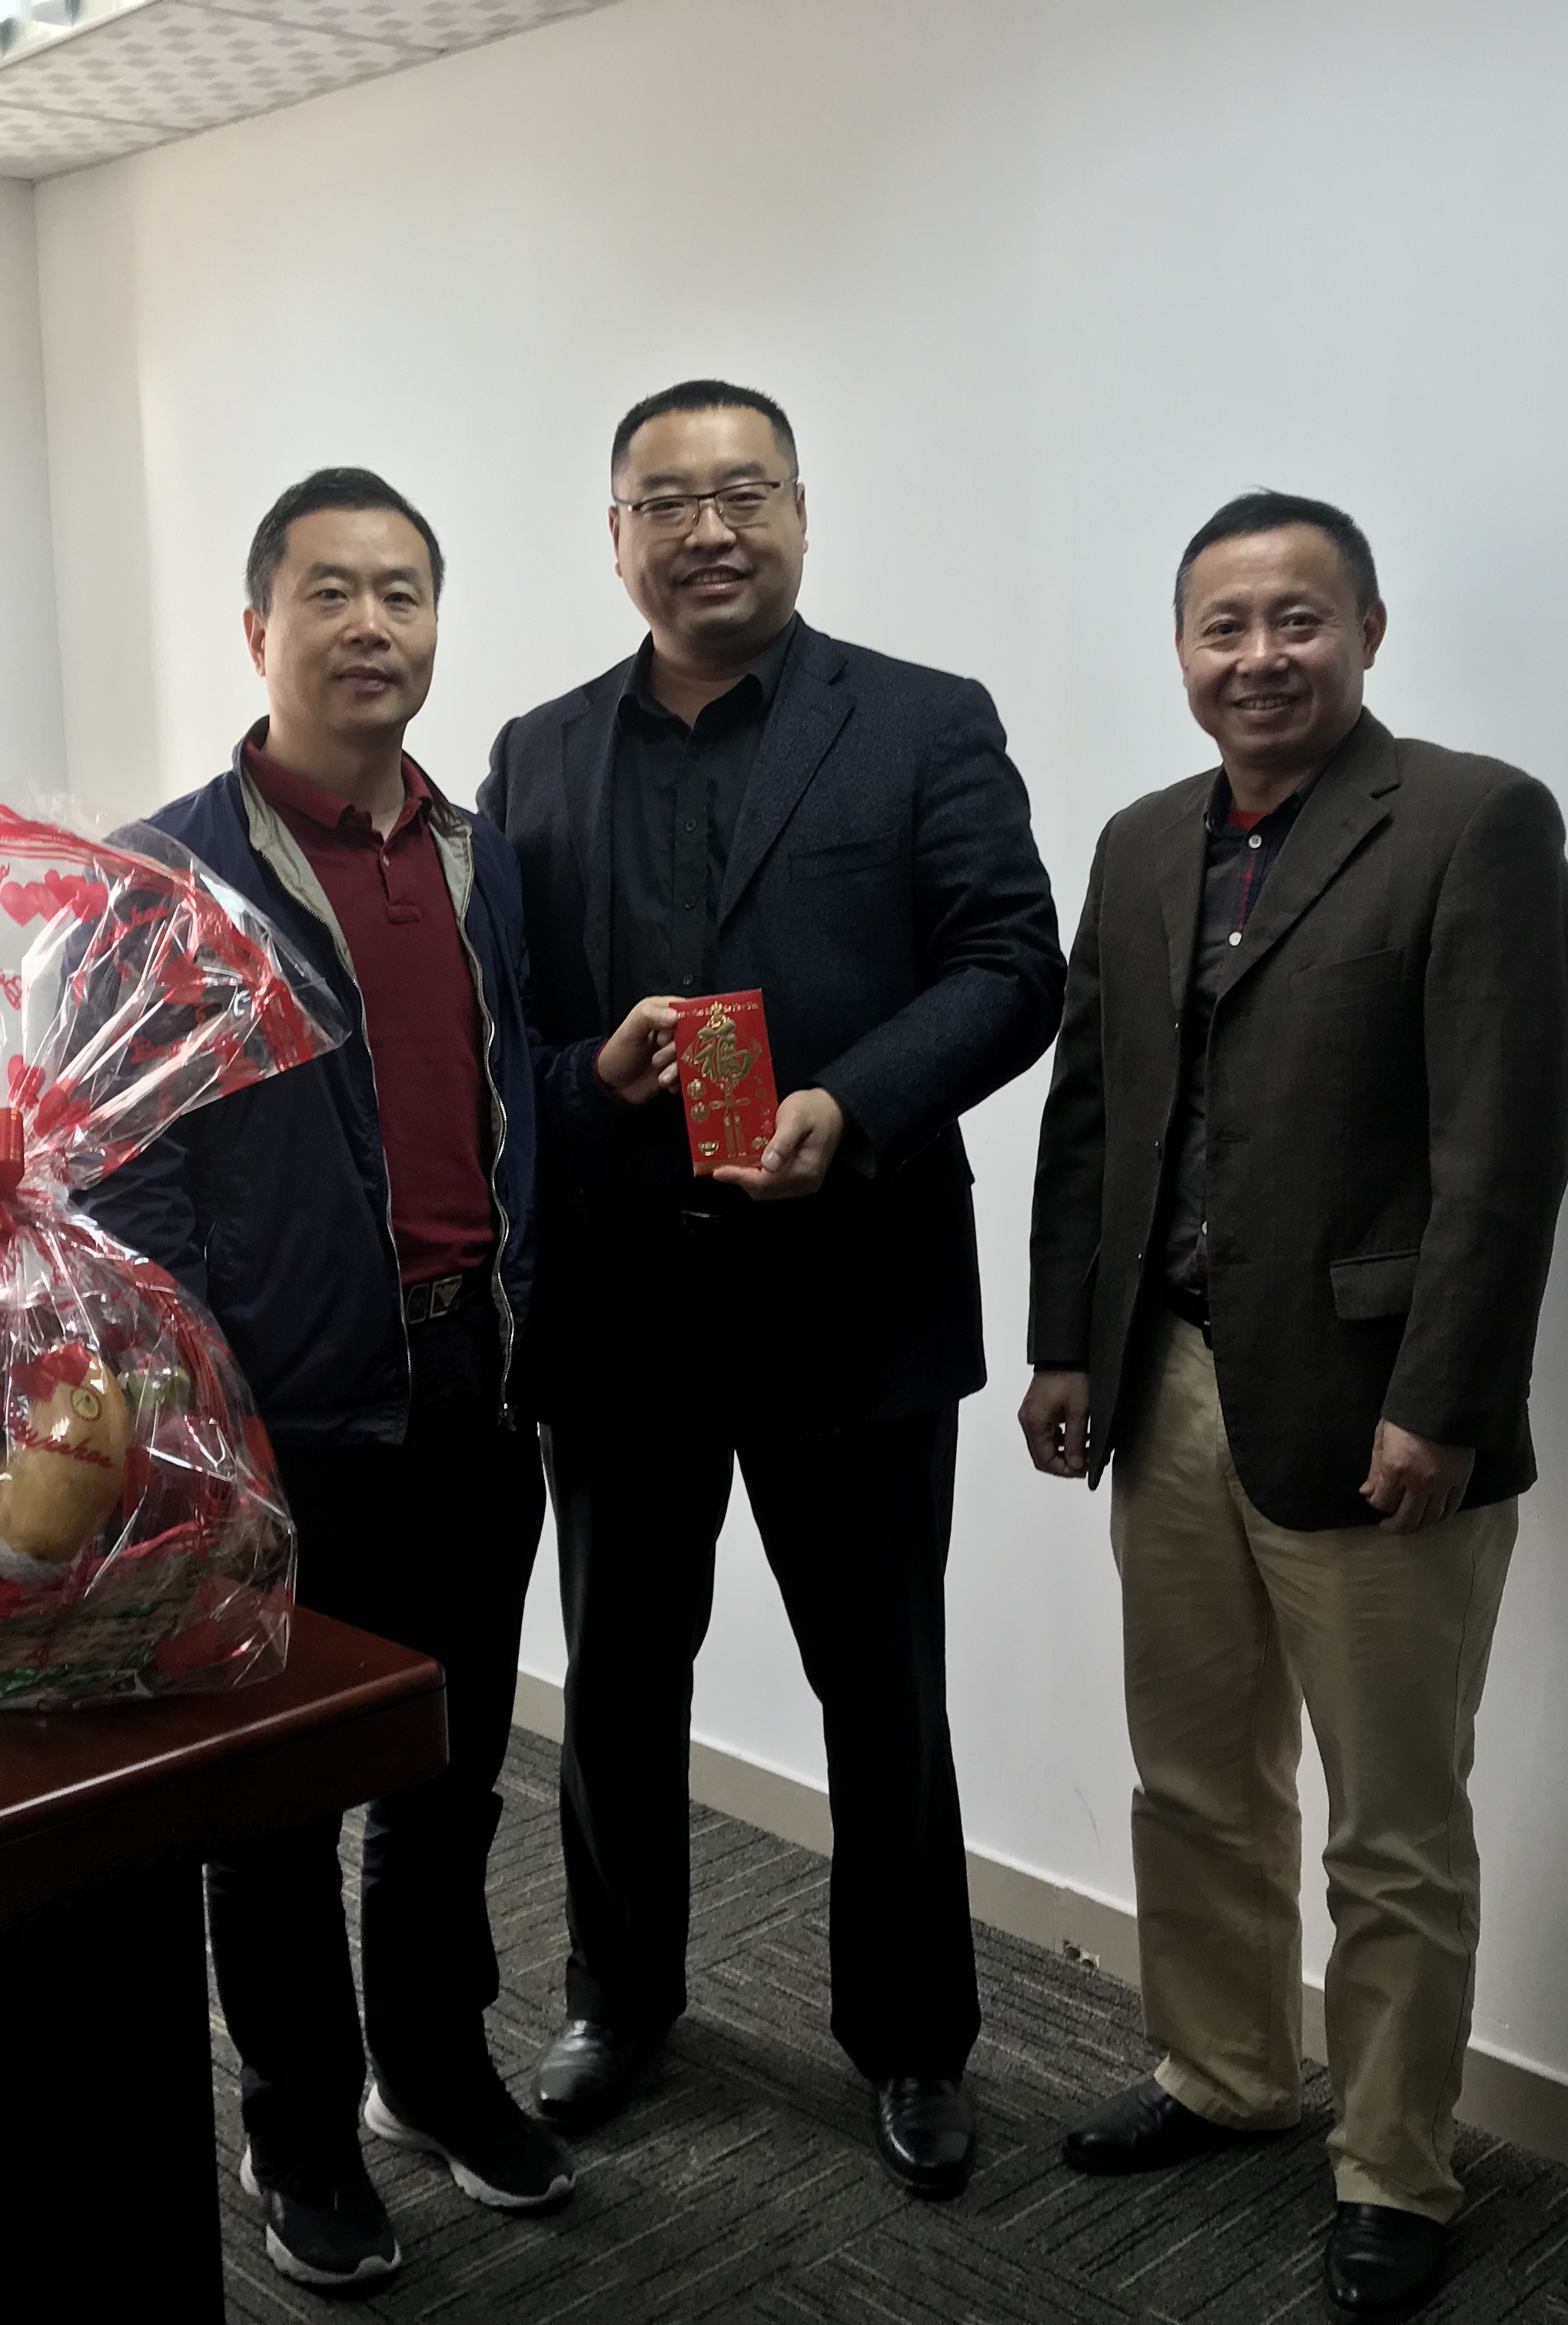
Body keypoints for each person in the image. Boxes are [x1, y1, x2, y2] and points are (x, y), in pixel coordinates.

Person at [479, 380, 1063, 2198]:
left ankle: (913, 2037)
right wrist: (592, 1082)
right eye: (667, 501)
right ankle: (619, 1997)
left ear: (800, 513)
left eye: (744, 492)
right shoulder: (534, 755)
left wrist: (852, 1105)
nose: (709, 528)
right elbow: (504, 1036)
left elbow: (1011, 967)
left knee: (881, 1691)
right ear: (617, 538)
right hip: (622, 1309)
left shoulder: (922, 722)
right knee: (618, 1681)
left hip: (852, 1290)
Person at [1019, 491, 1568, 2320]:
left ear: (1368, 632)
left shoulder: (1475, 823)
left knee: (1391, 1828)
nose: (1259, 657)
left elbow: (1503, 1147)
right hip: (1170, 1380)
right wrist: (1067, 1343)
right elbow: (1093, 1113)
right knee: (1196, 1777)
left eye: (1297, 620)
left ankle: (1396, 2166)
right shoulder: (1141, 841)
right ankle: (1222, 2074)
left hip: (1376, 1408)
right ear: (1182, 649)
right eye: (1224, 626)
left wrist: (1445, 1399)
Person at [85, 467, 566, 2291]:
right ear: (258, 628)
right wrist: (210, 1425)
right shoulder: (164, 878)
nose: (373, 626)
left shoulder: (477, 855)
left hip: (477, 1391)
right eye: (332, 593)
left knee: (447, 1766)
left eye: (404, 593)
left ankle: (432, 2068)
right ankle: (298, 2131)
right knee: (273, 1807)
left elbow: (504, 1093)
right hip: (280, 1422)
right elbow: (126, 1176)